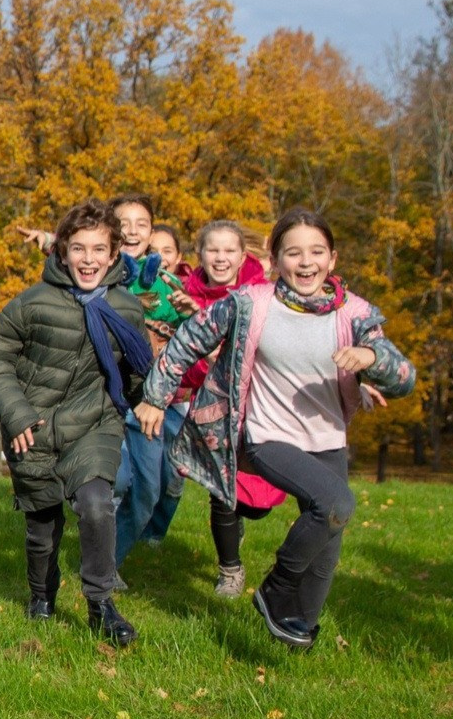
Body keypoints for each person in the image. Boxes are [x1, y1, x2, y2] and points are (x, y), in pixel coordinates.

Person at [136, 207, 415, 649]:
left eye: (316, 252)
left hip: (327, 438)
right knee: (336, 502)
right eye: (294, 253)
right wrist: (155, 397)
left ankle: (295, 628)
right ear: (275, 258)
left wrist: (372, 359)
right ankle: (276, 588)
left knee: (328, 542)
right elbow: (189, 339)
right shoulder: (251, 303)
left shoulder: (354, 313)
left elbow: (405, 377)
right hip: (268, 435)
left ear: (333, 259)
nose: (306, 262)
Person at [0, 199, 150, 646]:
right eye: (78, 249)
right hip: (32, 427)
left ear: (114, 255)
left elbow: (137, 371)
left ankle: (101, 604)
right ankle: (42, 595)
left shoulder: (127, 309)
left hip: (94, 423)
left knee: (96, 504)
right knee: (42, 527)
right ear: (62, 252)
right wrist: (16, 416)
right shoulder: (34, 302)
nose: (87, 259)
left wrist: (145, 402)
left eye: (98, 250)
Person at [168, 220, 275, 597]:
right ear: (201, 255)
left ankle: (242, 521)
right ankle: (230, 569)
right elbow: (185, 355)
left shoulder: (261, 294)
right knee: (223, 491)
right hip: (213, 408)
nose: (221, 258)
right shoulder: (184, 295)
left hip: (259, 405)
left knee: (258, 503)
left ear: (243, 255)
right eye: (213, 250)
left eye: (229, 250)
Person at [106, 194, 189, 571]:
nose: (133, 230)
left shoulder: (168, 284)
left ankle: (111, 560)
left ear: (151, 231)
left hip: (150, 404)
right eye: (125, 223)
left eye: (142, 224)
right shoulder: (97, 273)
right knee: (116, 482)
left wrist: (183, 319)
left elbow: (194, 336)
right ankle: (98, 557)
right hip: (106, 398)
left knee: (148, 491)